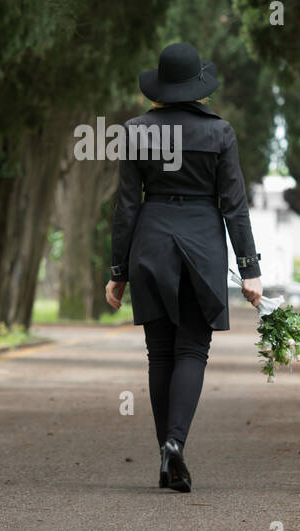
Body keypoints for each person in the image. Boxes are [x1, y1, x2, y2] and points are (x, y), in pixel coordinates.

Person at [105, 41, 262, 493]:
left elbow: (126, 208)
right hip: (203, 246)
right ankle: (175, 444)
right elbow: (234, 205)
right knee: (193, 350)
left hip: (151, 243)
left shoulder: (135, 132)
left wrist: (118, 271)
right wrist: (249, 268)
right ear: (199, 88)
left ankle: (165, 455)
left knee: (160, 353)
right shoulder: (220, 134)